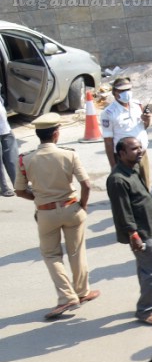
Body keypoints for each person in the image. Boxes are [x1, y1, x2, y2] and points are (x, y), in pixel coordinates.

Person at [14, 114, 98, 321]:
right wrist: (83, 206)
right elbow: (86, 184)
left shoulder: (25, 158)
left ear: (38, 135)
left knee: (51, 255)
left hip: (45, 211)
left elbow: (19, 191)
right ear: (56, 134)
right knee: (77, 251)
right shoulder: (69, 155)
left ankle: (66, 297)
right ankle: (82, 291)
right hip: (71, 208)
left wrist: (39, 198)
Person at [106, 137, 152, 326]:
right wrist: (133, 234)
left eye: (140, 147)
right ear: (121, 154)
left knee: (146, 268)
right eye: (134, 148)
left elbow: (142, 198)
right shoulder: (117, 179)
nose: (139, 151)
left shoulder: (133, 169)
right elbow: (123, 211)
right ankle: (145, 311)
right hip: (139, 232)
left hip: (148, 227)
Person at [101, 77, 152, 190]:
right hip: (125, 158)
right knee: (129, 189)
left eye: (128, 89)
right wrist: (113, 165)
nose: (126, 93)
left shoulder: (137, 105)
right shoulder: (108, 113)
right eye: (122, 91)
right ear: (114, 92)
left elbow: (144, 127)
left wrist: (147, 120)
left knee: (145, 187)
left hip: (142, 154)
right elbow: (108, 141)